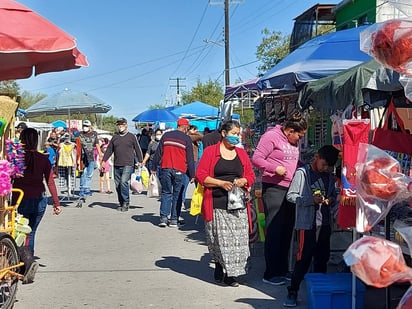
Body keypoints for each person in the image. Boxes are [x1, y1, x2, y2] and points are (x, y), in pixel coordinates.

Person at [196, 120, 255, 287]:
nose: (237, 137)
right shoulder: (210, 152)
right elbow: (201, 175)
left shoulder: (242, 154)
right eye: (234, 134)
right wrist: (220, 183)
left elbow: (250, 175)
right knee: (220, 240)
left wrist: (244, 180)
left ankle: (232, 274)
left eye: (238, 134)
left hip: (237, 203)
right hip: (216, 202)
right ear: (223, 133)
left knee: (237, 240)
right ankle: (220, 265)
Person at [251, 112, 307, 286]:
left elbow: (292, 162)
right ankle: (271, 273)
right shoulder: (271, 137)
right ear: (290, 130)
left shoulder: (293, 142)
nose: (299, 139)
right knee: (275, 229)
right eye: (299, 135)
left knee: (286, 230)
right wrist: (275, 168)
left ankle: (282, 269)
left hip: (291, 188)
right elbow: (256, 159)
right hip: (274, 188)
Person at [283, 145, 340, 307]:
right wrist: (309, 201)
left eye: (328, 166)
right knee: (303, 259)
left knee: (322, 260)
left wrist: (330, 199)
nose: (325, 168)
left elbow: (334, 194)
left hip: (325, 224)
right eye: (324, 164)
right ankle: (293, 291)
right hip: (307, 225)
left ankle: (319, 294)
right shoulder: (303, 173)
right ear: (317, 157)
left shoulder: (329, 176)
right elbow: (291, 196)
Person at [13, 128, 62, 255]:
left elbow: (8, 179)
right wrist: (56, 203)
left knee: (18, 231)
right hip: (39, 199)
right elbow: (50, 182)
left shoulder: (16, 158)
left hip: (19, 199)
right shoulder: (43, 159)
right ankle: (28, 258)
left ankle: (17, 257)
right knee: (31, 232)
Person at [152, 118, 195, 227]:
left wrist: (153, 167)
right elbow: (189, 159)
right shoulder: (187, 139)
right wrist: (192, 175)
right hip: (179, 170)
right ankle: (174, 220)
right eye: (188, 128)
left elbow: (158, 153)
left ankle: (163, 218)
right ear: (185, 127)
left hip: (165, 168)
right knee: (177, 194)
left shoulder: (166, 136)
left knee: (166, 193)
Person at [101, 118, 143, 212]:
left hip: (128, 164)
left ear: (126, 125)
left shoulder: (131, 136)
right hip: (117, 164)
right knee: (117, 185)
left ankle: (126, 202)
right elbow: (109, 150)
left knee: (124, 182)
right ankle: (121, 202)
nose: (120, 126)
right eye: (119, 124)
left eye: (122, 124)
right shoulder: (115, 137)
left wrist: (140, 160)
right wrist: (104, 161)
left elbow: (137, 148)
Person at [76, 120, 101, 196]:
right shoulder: (79, 134)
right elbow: (76, 144)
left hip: (91, 156)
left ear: (90, 126)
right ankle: (82, 189)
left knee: (89, 174)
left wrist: (100, 154)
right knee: (83, 173)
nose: (85, 127)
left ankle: (87, 188)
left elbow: (96, 143)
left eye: (86, 126)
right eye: (84, 126)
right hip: (82, 157)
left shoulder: (94, 134)